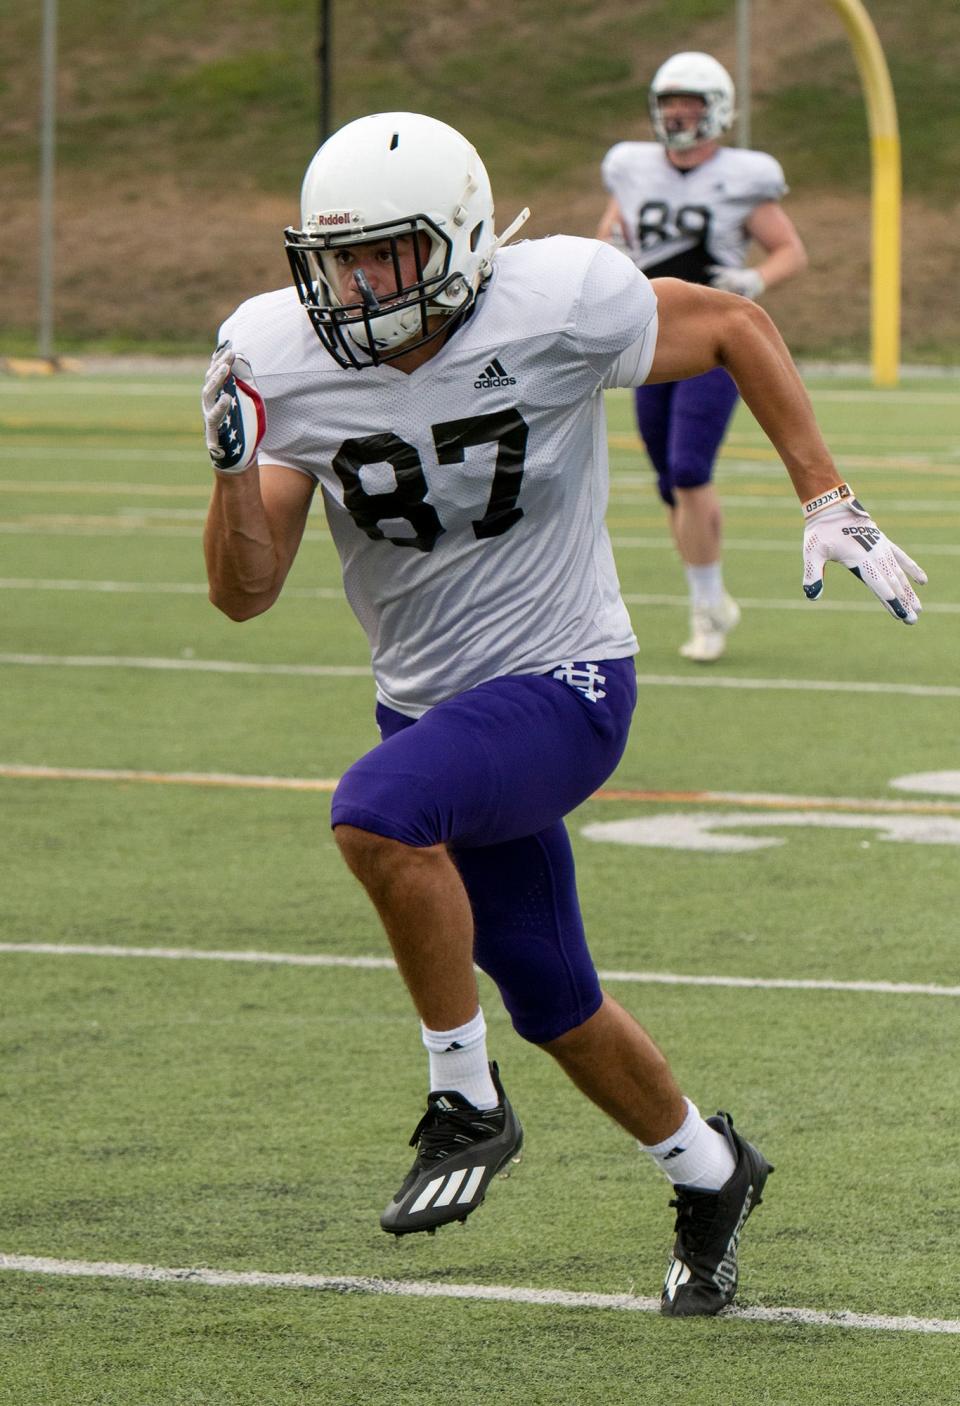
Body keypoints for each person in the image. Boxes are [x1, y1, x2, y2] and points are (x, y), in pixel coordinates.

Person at [201, 111, 924, 1317]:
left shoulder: (563, 299)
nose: (356, 282)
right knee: (554, 996)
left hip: (567, 681)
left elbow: (739, 322)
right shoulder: (280, 353)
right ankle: (711, 1168)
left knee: (377, 814)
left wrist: (825, 493)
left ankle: (463, 1097)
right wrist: (234, 468)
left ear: (465, 240)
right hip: (428, 710)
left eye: (386, 252)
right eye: (338, 258)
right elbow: (244, 593)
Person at [597, 52, 808, 661]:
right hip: (648, 335)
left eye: (689, 104)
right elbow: (609, 234)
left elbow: (789, 248)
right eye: (668, 105)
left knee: (690, 469)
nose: (678, 116)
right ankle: (711, 593)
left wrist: (755, 280)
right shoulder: (631, 168)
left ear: (716, 110)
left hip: (716, 339)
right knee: (669, 479)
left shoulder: (745, 175)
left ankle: (706, 607)